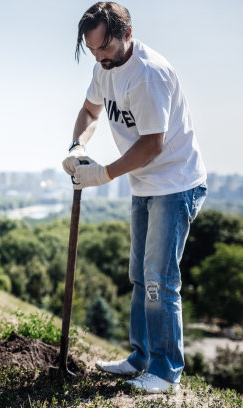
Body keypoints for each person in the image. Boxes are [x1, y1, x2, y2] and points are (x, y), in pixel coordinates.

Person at [63, 2, 207, 394]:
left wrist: (103, 174)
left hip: (174, 184)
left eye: (104, 48)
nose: (99, 58)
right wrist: (78, 146)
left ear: (126, 33)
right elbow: (90, 111)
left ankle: (164, 372)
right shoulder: (103, 70)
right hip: (144, 185)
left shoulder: (149, 74)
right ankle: (141, 357)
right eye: (92, 51)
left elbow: (152, 145)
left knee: (160, 279)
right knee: (140, 277)